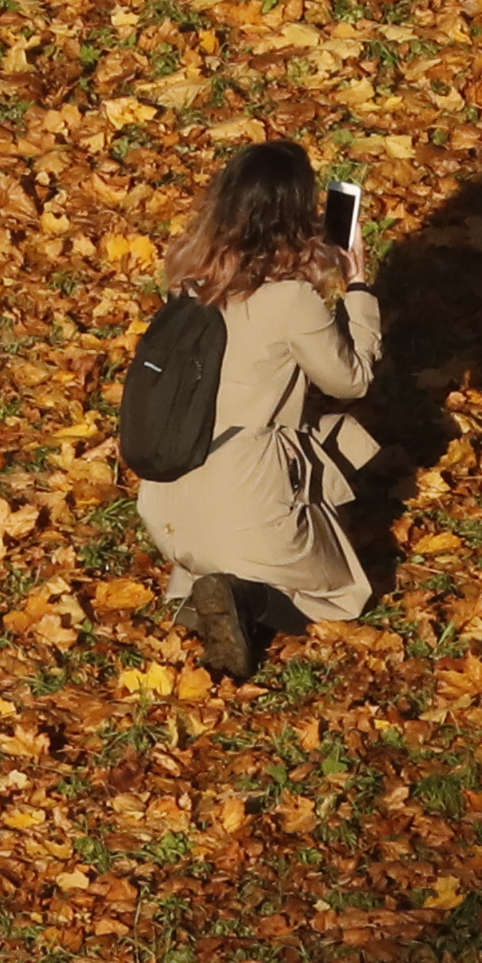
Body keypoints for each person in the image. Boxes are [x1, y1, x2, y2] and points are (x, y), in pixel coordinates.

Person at [128, 136, 385, 680]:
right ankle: (247, 599)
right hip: (245, 503)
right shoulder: (289, 299)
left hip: (166, 501)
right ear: (299, 215)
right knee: (341, 592)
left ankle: (214, 590)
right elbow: (352, 380)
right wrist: (356, 282)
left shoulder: (188, 282)